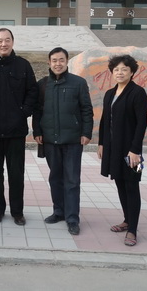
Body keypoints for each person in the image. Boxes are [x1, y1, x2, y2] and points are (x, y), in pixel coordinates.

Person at [0, 28, 37, 226]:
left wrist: (23, 112)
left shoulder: (23, 65)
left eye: (7, 40)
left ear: (12, 42)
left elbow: (32, 92)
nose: (4, 44)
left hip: (16, 130)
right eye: (0, 40)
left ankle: (17, 212)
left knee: (16, 173)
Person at [32, 47, 93, 235]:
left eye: (61, 60)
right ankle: (58, 211)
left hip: (73, 140)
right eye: (54, 60)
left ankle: (72, 218)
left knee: (72, 179)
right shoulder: (43, 84)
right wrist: (37, 131)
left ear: (67, 62)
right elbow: (37, 110)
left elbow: (86, 109)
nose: (58, 64)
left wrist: (86, 132)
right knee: (55, 177)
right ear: (49, 63)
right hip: (50, 140)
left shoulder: (78, 83)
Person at [97, 55, 147, 246]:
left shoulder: (138, 93)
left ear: (132, 72)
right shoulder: (110, 93)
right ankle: (127, 220)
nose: (120, 72)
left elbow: (142, 124)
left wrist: (135, 150)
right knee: (119, 182)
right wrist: (101, 143)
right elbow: (105, 120)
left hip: (132, 152)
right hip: (113, 148)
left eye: (124, 69)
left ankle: (133, 230)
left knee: (132, 186)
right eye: (116, 69)